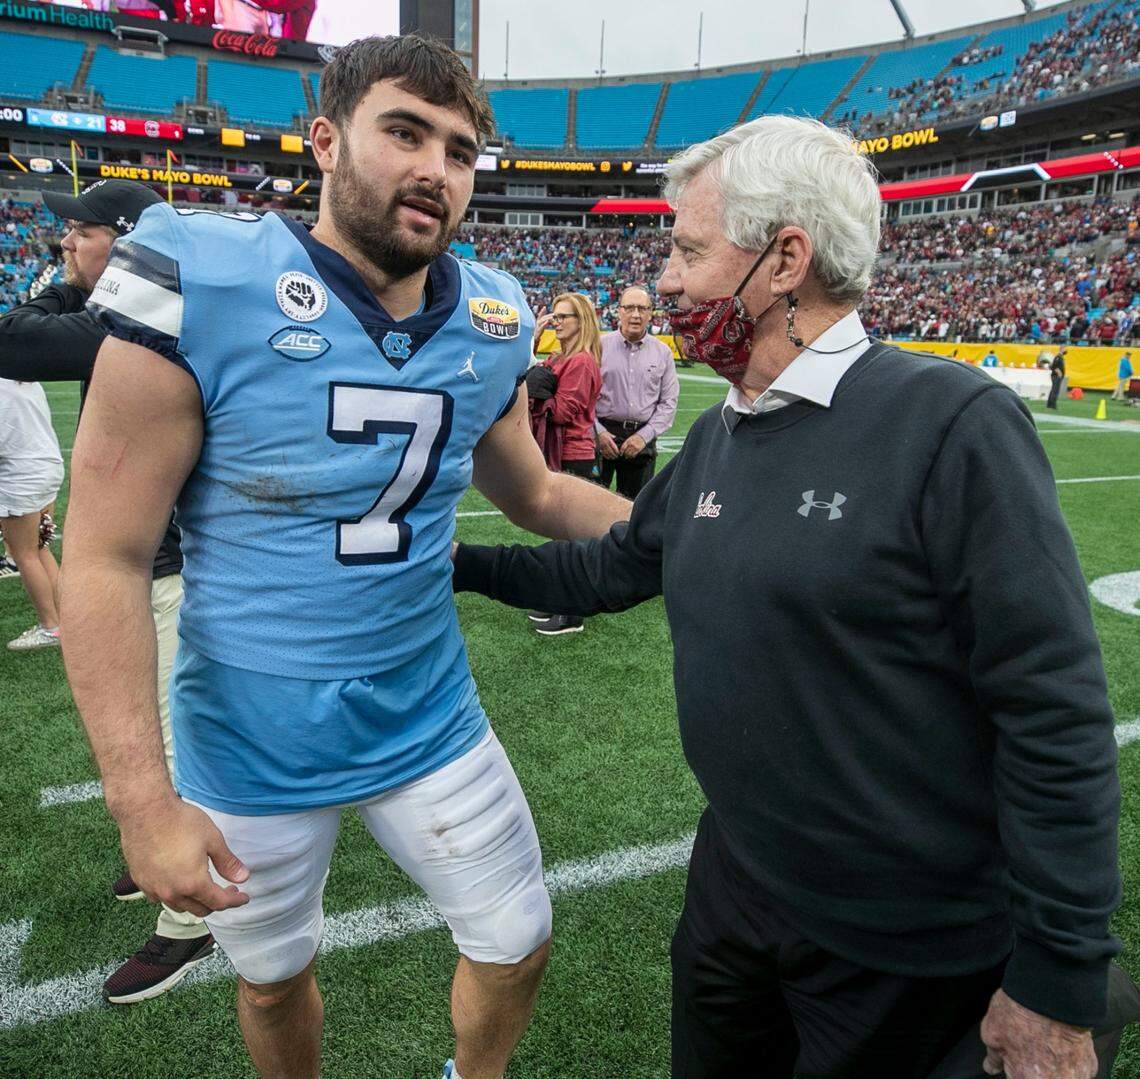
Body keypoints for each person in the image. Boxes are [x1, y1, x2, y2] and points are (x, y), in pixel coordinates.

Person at [451, 115, 1121, 1078]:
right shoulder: (726, 430)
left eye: (687, 249)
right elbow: (607, 569)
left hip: (902, 940)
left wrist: (1060, 982)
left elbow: (1054, 711)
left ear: (784, 260)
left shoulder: (951, 423)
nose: (669, 280)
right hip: (736, 885)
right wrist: (454, 567)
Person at [60, 35, 628, 1079]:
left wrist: (695, 532)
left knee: (516, 939)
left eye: (460, 152)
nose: (436, 170)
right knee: (273, 977)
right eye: (405, 133)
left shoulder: (492, 314)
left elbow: (538, 490)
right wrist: (142, 802)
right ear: (325, 140)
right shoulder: (208, 275)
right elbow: (104, 554)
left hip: (429, 708)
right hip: (250, 733)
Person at [0, 178, 214, 1002]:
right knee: (145, 736)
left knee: (170, 747)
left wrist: (102, 273)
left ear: (124, 245)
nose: (63, 245)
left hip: (168, 572)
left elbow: (13, 339)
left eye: (79, 233)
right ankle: (157, 852)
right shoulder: (121, 309)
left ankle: (188, 927)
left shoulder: (143, 318)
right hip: (134, 566)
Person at [524, 291, 603, 636]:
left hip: (573, 452)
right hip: (557, 451)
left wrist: (537, 393)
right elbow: (527, 370)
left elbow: (563, 411)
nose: (555, 322)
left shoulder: (582, 361)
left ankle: (572, 612)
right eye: (554, 316)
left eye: (561, 317)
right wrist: (534, 337)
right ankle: (558, 599)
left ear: (580, 322)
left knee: (571, 537)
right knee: (558, 533)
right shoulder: (559, 356)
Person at [595, 286, 679, 499]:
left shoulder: (663, 353)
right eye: (629, 307)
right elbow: (583, 397)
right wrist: (598, 432)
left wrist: (644, 436)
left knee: (636, 511)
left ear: (651, 313)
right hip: (601, 436)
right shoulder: (598, 346)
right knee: (589, 509)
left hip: (642, 439)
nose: (635, 314)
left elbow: (668, 402)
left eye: (642, 308)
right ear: (619, 311)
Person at [0, 377, 63, 650]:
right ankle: (66, 621)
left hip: (22, 476)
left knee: (24, 555)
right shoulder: (26, 379)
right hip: (46, 468)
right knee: (40, 550)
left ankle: (50, 627)